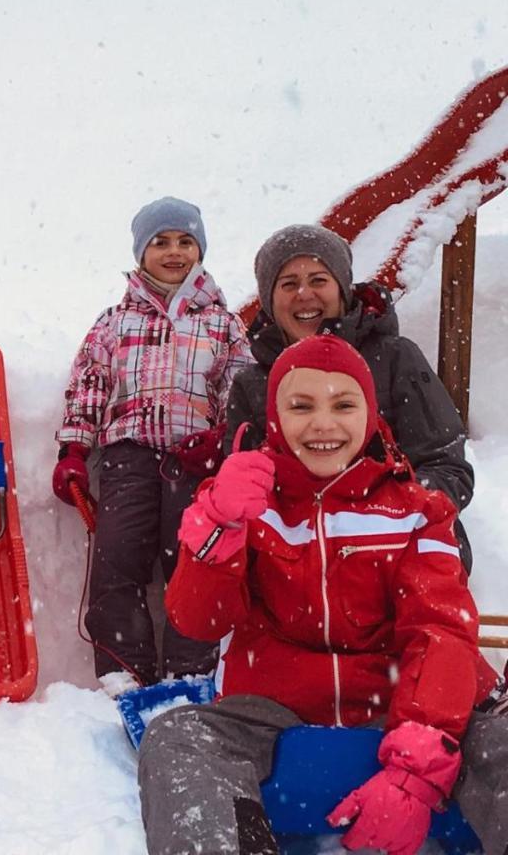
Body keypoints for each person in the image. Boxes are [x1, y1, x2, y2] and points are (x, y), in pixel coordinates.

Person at [140, 334, 507, 855]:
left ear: (369, 412)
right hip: (270, 712)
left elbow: (441, 632)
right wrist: (219, 524)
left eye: (343, 404)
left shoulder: (416, 511)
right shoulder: (241, 500)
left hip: (395, 704)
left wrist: (417, 765)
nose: (323, 424)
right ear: (274, 416)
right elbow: (198, 622)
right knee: (177, 739)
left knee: (500, 744)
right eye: (301, 405)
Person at [51, 197, 250, 687]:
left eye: (185, 241)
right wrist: (74, 449)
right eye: (160, 242)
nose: (174, 251)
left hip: (195, 463)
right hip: (129, 458)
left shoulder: (223, 323)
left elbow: (239, 388)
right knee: (116, 561)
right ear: (141, 253)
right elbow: (90, 384)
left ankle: (189, 673)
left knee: (192, 565)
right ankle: (124, 673)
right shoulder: (115, 322)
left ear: (200, 251)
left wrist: (220, 441)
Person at [227, 224, 474, 569]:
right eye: (288, 284)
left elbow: (446, 466)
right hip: (297, 566)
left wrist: (381, 516)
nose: (304, 293)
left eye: (318, 280)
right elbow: (242, 487)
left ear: (342, 290)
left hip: (399, 552)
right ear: (269, 302)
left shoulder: (394, 358)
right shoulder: (253, 384)